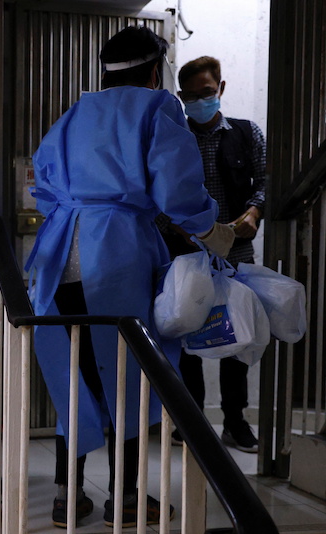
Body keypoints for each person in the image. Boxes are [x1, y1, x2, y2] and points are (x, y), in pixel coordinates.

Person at [26, 27, 234, 528]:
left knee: (72, 376)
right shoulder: (157, 107)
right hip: (116, 251)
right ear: (155, 69)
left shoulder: (74, 113)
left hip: (58, 256)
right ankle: (126, 499)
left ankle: (65, 497)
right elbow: (177, 191)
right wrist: (212, 228)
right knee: (132, 377)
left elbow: (44, 183)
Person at [163, 56, 266, 453]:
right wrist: (172, 226)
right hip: (185, 253)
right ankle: (192, 420)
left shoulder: (245, 133)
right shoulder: (173, 138)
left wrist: (254, 212)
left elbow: (265, 179)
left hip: (236, 251)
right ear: (181, 97)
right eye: (190, 95)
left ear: (220, 89)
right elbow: (158, 194)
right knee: (187, 332)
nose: (199, 101)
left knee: (238, 335)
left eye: (206, 93)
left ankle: (235, 422)